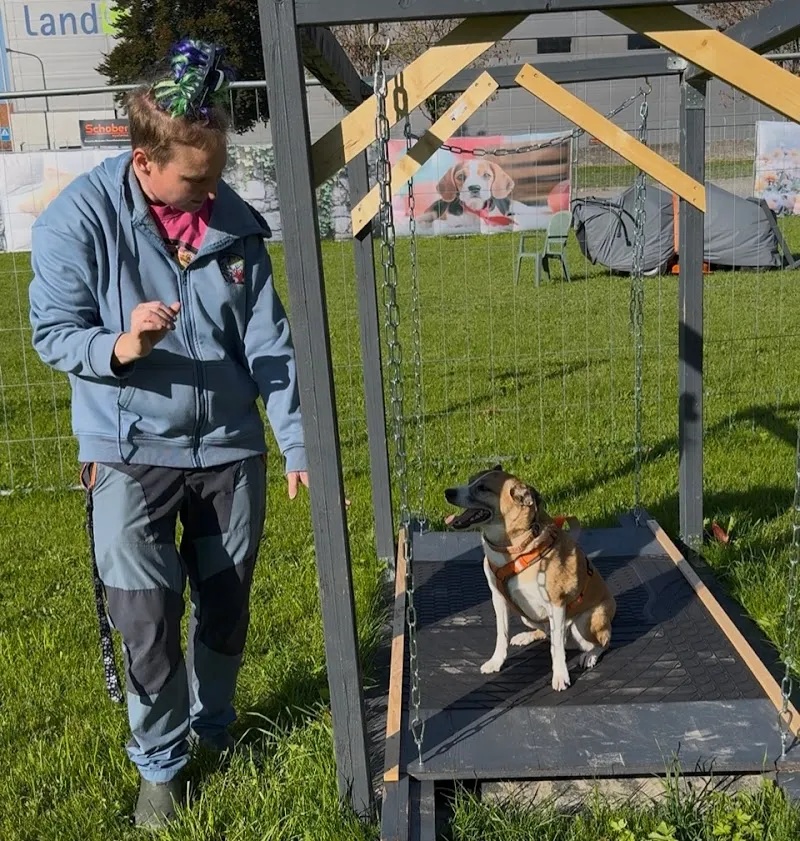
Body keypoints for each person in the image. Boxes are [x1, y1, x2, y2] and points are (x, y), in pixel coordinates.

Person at [28, 39, 308, 829]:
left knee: (225, 604)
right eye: (195, 180)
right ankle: (162, 765)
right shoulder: (75, 222)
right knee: (146, 618)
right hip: (125, 451)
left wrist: (294, 441)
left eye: (217, 175)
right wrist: (118, 346)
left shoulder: (235, 230)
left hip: (229, 448)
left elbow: (270, 347)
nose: (209, 192)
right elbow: (52, 331)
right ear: (143, 162)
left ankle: (212, 728)